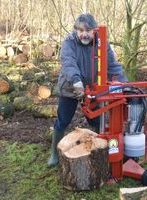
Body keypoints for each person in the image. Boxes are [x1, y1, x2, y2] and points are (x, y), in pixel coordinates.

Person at [48, 13, 128, 167]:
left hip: (92, 90)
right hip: (71, 88)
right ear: (76, 30)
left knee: (97, 120)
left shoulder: (101, 42)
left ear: (94, 30)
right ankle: (54, 154)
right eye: (81, 30)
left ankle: (100, 151)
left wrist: (124, 84)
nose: (85, 34)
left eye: (88, 30)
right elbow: (68, 63)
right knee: (63, 120)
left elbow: (112, 65)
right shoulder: (69, 42)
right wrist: (76, 82)